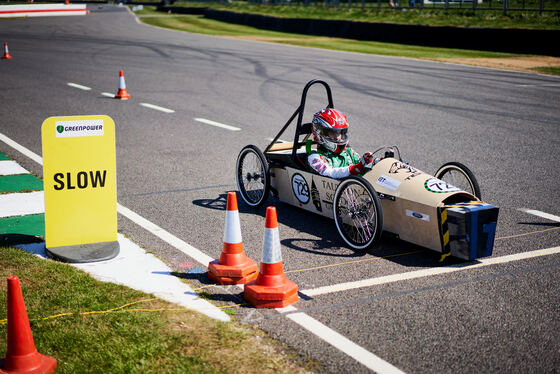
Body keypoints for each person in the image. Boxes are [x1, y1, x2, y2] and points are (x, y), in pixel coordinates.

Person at [306, 108, 377, 179]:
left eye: (339, 132)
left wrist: (373, 163)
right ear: (320, 133)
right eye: (332, 132)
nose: (337, 137)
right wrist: (355, 169)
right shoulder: (314, 158)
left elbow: (362, 165)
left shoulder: (348, 152)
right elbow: (331, 173)